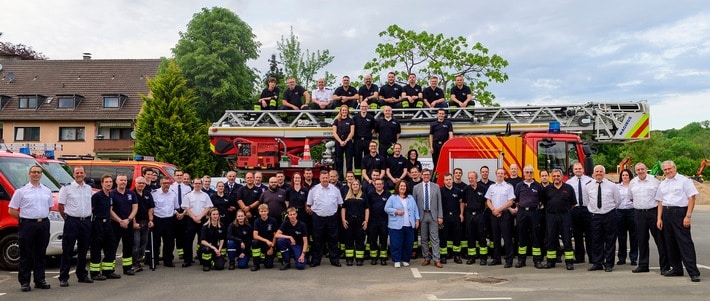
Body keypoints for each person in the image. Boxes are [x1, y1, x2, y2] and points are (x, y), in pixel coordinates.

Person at [9, 165, 54, 292]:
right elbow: (12, 210)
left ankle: (40, 280)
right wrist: (23, 219)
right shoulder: (21, 191)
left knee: (41, 253)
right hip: (27, 225)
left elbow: (49, 207)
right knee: (26, 254)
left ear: (41, 175)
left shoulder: (46, 190)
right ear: (29, 174)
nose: (36, 174)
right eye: (34, 172)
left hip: (43, 224)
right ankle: (24, 282)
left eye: (38, 172)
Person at [656, 160, 701, 282]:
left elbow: (691, 198)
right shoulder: (663, 183)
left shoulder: (684, 181)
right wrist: (659, 218)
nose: (667, 171)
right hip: (666, 212)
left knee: (685, 243)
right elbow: (660, 201)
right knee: (670, 243)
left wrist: (688, 216)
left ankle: (693, 272)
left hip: (680, 213)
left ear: (674, 168)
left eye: (669, 169)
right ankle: (676, 268)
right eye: (665, 170)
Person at [629, 162, 669, 274]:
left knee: (660, 240)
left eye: (642, 169)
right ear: (635, 171)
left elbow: (661, 198)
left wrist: (659, 217)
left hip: (653, 213)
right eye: (638, 170)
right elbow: (631, 198)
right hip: (639, 214)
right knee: (641, 240)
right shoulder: (633, 183)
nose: (640, 171)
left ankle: (665, 267)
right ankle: (643, 265)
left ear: (647, 169)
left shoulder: (655, 181)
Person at [58, 167, 94, 287]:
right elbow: (60, 206)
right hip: (72, 221)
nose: (79, 175)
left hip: (86, 222)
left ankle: (82, 275)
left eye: (81, 173)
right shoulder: (66, 188)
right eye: (77, 173)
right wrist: (67, 218)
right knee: (67, 250)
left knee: (83, 250)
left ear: (84, 174)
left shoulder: (88, 188)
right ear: (73, 175)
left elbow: (91, 206)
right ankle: (63, 277)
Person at [584, 165, 621, 272]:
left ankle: (609, 264)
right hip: (595, 216)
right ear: (593, 173)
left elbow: (617, 201)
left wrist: (608, 209)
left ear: (604, 173)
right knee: (596, 240)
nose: (599, 173)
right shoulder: (588, 186)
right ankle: (597, 263)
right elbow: (587, 201)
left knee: (610, 240)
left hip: (609, 215)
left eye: (601, 171)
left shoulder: (612, 185)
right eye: (597, 171)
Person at [306, 170, 344, 267]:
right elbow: (309, 204)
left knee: (333, 239)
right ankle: (316, 260)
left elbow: (340, 203)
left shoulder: (335, 189)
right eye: (323, 178)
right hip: (318, 218)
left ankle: (334, 260)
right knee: (317, 239)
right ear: (319, 178)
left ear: (329, 178)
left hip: (332, 218)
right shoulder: (313, 189)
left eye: (326, 178)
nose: (325, 180)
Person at [542, 169, 576, 270]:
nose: (556, 177)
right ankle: (550, 262)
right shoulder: (547, 189)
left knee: (567, 239)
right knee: (551, 239)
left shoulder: (569, 188)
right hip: (551, 216)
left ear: (562, 177)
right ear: (552, 177)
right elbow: (544, 202)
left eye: (558, 176)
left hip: (565, 216)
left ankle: (569, 262)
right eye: (554, 176)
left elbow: (573, 203)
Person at [89, 175, 120, 281]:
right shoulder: (97, 196)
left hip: (108, 224)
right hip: (98, 224)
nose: (109, 184)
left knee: (111, 246)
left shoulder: (110, 196)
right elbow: (91, 210)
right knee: (96, 248)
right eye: (106, 182)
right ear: (102, 183)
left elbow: (110, 210)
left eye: (110, 182)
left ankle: (108, 271)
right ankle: (95, 272)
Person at [513, 165, 544, 269]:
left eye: (531, 172)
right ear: (524, 173)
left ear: (533, 173)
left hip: (534, 213)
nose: (529, 174)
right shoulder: (519, 185)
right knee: (522, 237)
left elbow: (541, 199)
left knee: (536, 236)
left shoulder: (537, 185)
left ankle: (537, 261)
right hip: (522, 213)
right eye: (527, 172)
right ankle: (521, 260)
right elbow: (516, 200)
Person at [385, 180, 420, 268]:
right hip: (396, 225)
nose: (403, 187)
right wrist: (396, 211)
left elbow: (415, 209)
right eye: (401, 186)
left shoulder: (410, 198)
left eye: (404, 186)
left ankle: (405, 259)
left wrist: (417, 220)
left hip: (409, 224)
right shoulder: (393, 197)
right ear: (398, 187)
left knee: (408, 243)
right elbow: (386, 208)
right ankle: (396, 260)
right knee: (396, 243)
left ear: (406, 188)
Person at [413, 169, 443, 268]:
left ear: (430, 176)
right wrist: (416, 218)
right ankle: (426, 258)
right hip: (422, 216)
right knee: (424, 239)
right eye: (424, 174)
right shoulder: (416, 188)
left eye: (428, 174)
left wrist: (440, 216)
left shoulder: (436, 187)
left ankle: (436, 259)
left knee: (435, 238)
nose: (426, 176)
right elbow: (414, 204)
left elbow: (439, 202)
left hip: (433, 215)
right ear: (421, 175)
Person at [486, 168, 516, 268]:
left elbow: (510, 201)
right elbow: (488, 201)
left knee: (507, 238)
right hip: (494, 215)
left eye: (502, 173)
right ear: (496, 174)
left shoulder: (508, 187)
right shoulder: (491, 187)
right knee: (495, 238)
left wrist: (499, 210)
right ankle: (496, 259)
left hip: (505, 214)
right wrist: (494, 210)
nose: (500, 175)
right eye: (498, 173)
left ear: (504, 175)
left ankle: (509, 260)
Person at [110, 174, 138, 275]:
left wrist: (128, 220)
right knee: (113, 246)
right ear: (116, 182)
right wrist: (120, 221)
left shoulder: (131, 194)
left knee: (128, 246)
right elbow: (110, 210)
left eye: (125, 180)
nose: (123, 182)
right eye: (121, 180)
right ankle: (110, 269)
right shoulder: (112, 194)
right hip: (115, 224)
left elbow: (135, 208)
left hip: (128, 224)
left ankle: (127, 268)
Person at [181, 178, 212, 268]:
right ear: (193, 184)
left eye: (199, 183)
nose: (197, 185)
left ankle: (202, 258)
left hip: (202, 220)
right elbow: (186, 208)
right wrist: (194, 217)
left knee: (202, 240)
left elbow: (208, 207)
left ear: (201, 184)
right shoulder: (188, 196)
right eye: (196, 183)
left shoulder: (205, 195)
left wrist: (200, 217)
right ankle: (188, 260)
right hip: (191, 220)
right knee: (188, 241)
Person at [566, 162, 593, 263]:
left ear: (583, 169)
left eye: (580, 168)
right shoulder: (569, 183)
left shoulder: (590, 181)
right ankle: (579, 257)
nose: (578, 170)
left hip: (587, 210)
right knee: (577, 235)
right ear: (573, 170)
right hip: (575, 210)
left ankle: (592, 257)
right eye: (576, 169)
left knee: (590, 235)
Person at [151, 177, 179, 268]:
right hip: (158, 219)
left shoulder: (173, 194)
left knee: (169, 242)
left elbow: (175, 207)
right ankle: (154, 261)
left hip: (169, 220)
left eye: (168, 183)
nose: (166, 185)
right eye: (164, 183)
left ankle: (168, 261)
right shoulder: (154, 194)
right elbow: (151, 208)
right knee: (156, 242)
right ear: (160, 184)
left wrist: (178, 214)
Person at [462, 171, 488, 265]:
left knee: (482, 236)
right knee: (470, 236)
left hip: (480, 214)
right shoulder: (466, 189)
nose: (470, 179)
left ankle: (483, 258)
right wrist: (462, 214)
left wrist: (483, 213)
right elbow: (463, 202)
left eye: (472, 178)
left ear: (476, 178)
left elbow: (487, 202)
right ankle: (471, 257)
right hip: (469, 215)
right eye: (469, 178)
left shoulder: (483, 188)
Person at [341, 180, 369, 266]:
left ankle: (359, 259)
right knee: (349, 240)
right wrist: (343, 220)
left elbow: (367, 209)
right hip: (349, 220)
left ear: (360, 186)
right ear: (351, 186)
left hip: (360, 221)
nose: (355, 185)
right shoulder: (347, 196)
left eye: (357, 184)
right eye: (354, 184)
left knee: (359, 240)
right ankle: (349, 259)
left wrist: (366, 221)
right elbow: (343, 209)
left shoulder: (363, 196)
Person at [438, 173, 464, 264]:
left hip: (456, 216)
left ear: (452, 180)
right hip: (444, 217)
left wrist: (461, 214)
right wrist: (439, 216)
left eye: (450, 179)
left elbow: (461, 203)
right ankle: (443, 256)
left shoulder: (457, 191)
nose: (448, 181)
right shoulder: (440, 191)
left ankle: (457, 256)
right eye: (446, 179)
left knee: (457, 236)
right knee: (443, 236)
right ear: (444, 181)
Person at [132, 177, 155, 273]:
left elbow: (150, 208)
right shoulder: (132, 194)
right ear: (135, 183)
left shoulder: (147, 194)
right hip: (136, 222)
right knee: (136, 242)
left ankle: (139, 260)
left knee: (143, 242)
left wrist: (151, 220)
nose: (141, 185)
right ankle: (133, 262)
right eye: (139, 183)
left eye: (143, 183)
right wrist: (133, 223)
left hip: (145, 222)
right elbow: (131, 210)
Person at [616, 169, 638, 266]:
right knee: (621, 236)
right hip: (620, 212)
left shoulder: (634, 186)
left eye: (627, 175)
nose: (625, 177)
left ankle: (633, 258)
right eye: (623, 175)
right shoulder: (617, 187)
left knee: (634, 236)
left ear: (630, 176)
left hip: (631, 211)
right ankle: (621, 258)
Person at [367, 178, 391, 265]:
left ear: (383, 184)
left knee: (384, 239)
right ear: (374, 185)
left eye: (380, 184)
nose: (379, 185)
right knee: (373, 239)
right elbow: (367, 208)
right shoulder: (370, 194)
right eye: (377, 184)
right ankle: (373, 257)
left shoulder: (388, 194)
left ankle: (383, 257)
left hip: (384, 221)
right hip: (373, 220)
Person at [169, 170, 191, 261]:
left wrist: (184, 213)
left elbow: (189, 203)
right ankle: (170, 255)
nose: (179, 177)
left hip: (185, 213)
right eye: (177, 175)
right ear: (174, 176)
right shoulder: (170, 187)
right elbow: (169, 202)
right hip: (174, 212)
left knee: (183, 235)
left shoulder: (188, 188)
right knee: (172, 235)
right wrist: (176, 212)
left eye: (180, 175)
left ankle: (182, 253)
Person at [251, 204, 279, 271]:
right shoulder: (257, 221)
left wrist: (272, 248)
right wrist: (266, 240)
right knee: (255, 242)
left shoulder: (273, 220)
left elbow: (275, 235)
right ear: (259, 212)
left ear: (268, 211)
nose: (263, 213)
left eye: (265, 211)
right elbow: (255, 235)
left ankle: (265, 258)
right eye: (261, 211)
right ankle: (256, 264)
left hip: (270, 244)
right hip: (261, 243)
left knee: (268, 265)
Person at [353, 101, 377, 178]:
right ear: (360, 108)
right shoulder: (355, 118)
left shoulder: (371, 117)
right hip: (358, 141)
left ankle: (368, 177)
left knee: (368, 159)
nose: (363, 108)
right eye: (362, 106)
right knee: (357, 159)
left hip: (367, 141)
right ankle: (358, 179)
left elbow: (373, 128)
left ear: (367, 107)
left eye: (365, 106)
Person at [333, 105, 355, 179]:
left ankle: (349, 177)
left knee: (349, 160)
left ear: (348, 111)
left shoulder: (351, 120)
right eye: (343, 110)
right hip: (339, 142)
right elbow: (334, 133)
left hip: (348, 142)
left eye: (346, 110)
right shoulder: (336, 121)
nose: (344, 111)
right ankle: (340, 177)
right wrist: (340, 141)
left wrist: (346, 141)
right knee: (339, 160)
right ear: (340, 111)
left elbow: (352, 132)